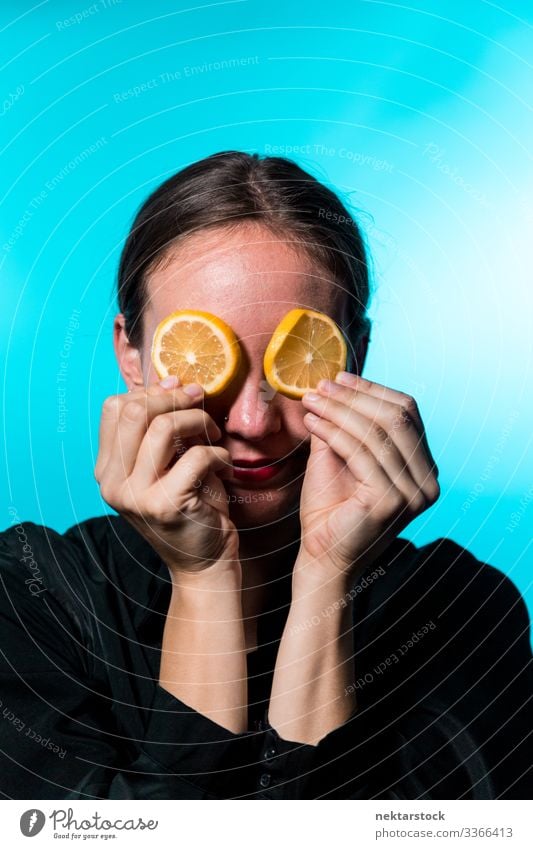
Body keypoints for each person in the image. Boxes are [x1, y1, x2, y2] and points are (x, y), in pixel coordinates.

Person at [0, 151, 531, 800]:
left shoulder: (456, 610)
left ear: (354, 354)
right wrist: (203, 579)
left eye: (296, 359)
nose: (252, 419)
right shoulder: (29, 602)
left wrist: (326, 573)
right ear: (131, 356)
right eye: (208, 362)